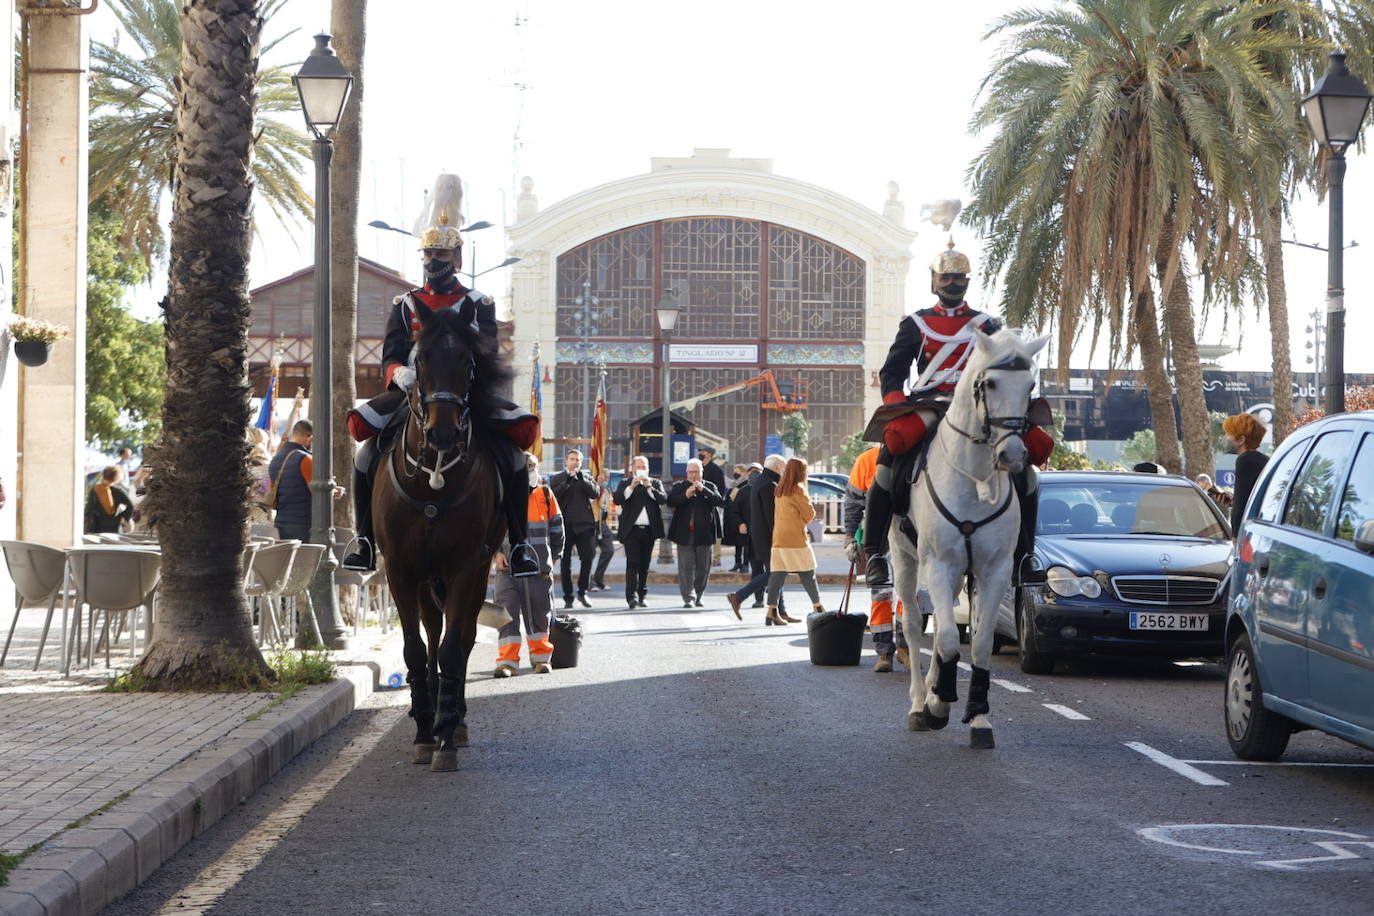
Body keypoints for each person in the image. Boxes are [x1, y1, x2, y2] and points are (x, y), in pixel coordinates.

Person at [341, 174, 540, 577]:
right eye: (428, 256)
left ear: (458, 261)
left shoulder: (479, 303)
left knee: (514, 457)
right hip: (414, 391)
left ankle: (518, 543)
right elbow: (391, 354)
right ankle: (363, 538)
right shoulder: (406, 303)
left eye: (441, 258)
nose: (434, 264)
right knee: (365, 455)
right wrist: (399, 375)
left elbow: (488, 355)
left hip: (467, 392)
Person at [861, 240, 1054, 589]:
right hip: (929, 405)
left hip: (982, 410)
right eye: (946, 277)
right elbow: (893, 372)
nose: (953, 283)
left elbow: (1010, 369)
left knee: (1027, 472)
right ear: (934, 281)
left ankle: (1025, 557)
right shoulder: (916, 324)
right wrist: (896, 405)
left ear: (968, 281)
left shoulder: (988, 324)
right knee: (887, 463)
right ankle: (873, 552)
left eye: (959, 277)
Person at [492, 452, 564, 677]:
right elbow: (489, 528)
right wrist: (496, 553)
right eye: (523, 467)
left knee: (539, 615)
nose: (528, 470)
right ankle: (507, 662)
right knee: (506, 615)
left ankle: (541, 659)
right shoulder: (501, 495)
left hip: (538, 569)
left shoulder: (545, 494)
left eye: (531, 466)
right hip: (507, 569)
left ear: (537, 469)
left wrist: (553, 558)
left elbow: (557, 528)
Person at [843, 445, 910, 672]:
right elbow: (853, 503)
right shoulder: (867, 460)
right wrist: (850, 538)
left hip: (910, 536)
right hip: (879, 539)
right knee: (881, 594)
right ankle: (884, 652)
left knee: (910, 596)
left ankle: (905, 647)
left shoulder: (916, 455)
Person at [727, 456, 788, 620]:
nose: (784, 469)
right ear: (776, 467)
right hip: (769, 538)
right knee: (774, 573)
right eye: (783, 466)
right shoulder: (769, 484)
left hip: (761, 536)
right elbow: (771, 517)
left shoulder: (762, 481)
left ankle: (778, 611)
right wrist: (779, 537)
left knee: (775, 573)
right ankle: (739, 596)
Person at [763, 458, 820, 626]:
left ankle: (771, 610)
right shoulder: (798, 489)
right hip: (796, 538)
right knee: (808, 572)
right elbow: (810, 515)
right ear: (801, 472)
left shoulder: (780, 489)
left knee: (778, 575)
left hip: (779, 538)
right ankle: (818, 607)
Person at [667, 458, 726, 607]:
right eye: (691, 472)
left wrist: (702, 490)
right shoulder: (679, 486)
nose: (693, 475)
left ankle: (699, 595)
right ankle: (688, 597)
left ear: (702, 472)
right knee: (686, 568)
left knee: (703, 568)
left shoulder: (710, 486)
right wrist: (686, 494)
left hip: (705, 534)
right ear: (686, 473)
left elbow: (719, 501)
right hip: (684, 534)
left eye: (696, 472)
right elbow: (671, 502)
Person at [613, 455, 666, 608]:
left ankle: (642, 595)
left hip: (649, 530)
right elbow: (617, 500)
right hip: (632, 531)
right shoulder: (625, 482)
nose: (641, 469)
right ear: (633, 468)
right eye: (638, 466)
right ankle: (631, 596)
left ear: (648, 468)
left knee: (645, 564)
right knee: (633, 563)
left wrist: (649, 487)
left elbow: (663, 499)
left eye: (643, 467)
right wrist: (631, 487)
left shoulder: (655, 482)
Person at [548, 449, 599, 608]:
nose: (575, 462)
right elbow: (553, 496)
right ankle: (568, 596)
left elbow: (594, 493)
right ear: (566, 461)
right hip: (565, 526)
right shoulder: (557, 478)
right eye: (572, 459)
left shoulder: (586, 477)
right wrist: (568, 482)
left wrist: (582, 478)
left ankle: (583, 592)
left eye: (578, 459)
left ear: (581, 462)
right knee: (565, 563)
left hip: (584, 525)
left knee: (587, 559)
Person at [268, 420, 316, 541]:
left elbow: (273, 489)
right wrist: (333, 492)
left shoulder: (275, 459)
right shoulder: (306, 459)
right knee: (306, 559)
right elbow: (316, 492)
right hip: (303, 523)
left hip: (281, 523)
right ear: (309, 436)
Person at [1224, 413, 1269, 535]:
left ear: (1241, 440)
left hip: (1247, 532)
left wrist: (1235, 535)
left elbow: (1240, 506)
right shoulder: (1263, 460)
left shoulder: (1245, 460)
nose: (1226, 438)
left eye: (1230, 435)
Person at [697, 445, 727, 565]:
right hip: (701, 504)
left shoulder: (716, 470)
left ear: (710, 454)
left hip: (714, 504)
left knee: (716, 531)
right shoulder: (699, 468)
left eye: (703, 452)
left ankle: (716, 557)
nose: (701, 454)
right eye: (701, 451)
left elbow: (721, 489)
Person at [589, 468, 617, 591]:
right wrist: (597, 487)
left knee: (609, 550)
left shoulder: (605, 491)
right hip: (591, 524)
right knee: (590, 554)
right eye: (605, 476)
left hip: (603, 524)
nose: (607, 479)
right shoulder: (591, 488)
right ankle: (588, 582)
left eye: (608, 477)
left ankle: (598, 578)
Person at [84, 466, 134, 534]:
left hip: (97, 526)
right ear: (117, 477)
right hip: (114, 526)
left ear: (103, 475)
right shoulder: (118, 491)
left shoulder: (95, 490)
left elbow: (89, 509)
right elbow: (130, 506)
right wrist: (123, 516)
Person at [722, 463, 750, 571]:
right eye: (735, 471)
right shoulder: (734, 485)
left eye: (738, 471)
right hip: (735, 517)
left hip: (745, 516)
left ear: (744, 472)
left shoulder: (746, 484)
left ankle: (746, 564)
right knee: (737, 542)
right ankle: (737, 563)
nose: (735, 473)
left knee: (746, 543)